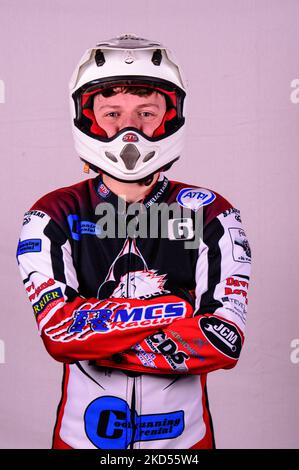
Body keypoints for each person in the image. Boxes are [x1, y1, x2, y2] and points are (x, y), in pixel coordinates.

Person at [16, 34, 251, 450]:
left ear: (169, 119)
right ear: (88, 118)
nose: (130, 129)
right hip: (81, 441)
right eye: (112, 113)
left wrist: (95, 340)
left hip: (185, 445)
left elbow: (222, 340)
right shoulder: (51, 213)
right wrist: (174, 313)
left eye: (147, 112)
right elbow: (58, 334)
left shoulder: (212, 212)